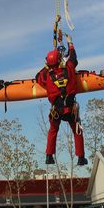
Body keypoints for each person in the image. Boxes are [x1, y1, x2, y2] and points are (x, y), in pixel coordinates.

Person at [35, 33, 87, 166]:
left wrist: (47, 66)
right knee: (77, 130)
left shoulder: (46, 75)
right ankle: (81, 158)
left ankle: (49, 156)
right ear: (59, 60)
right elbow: (74, 58)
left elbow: (37, 77)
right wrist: (70, 43)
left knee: (53, 131)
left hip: (56, 110)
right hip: (70, 109)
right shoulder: (69, 68)